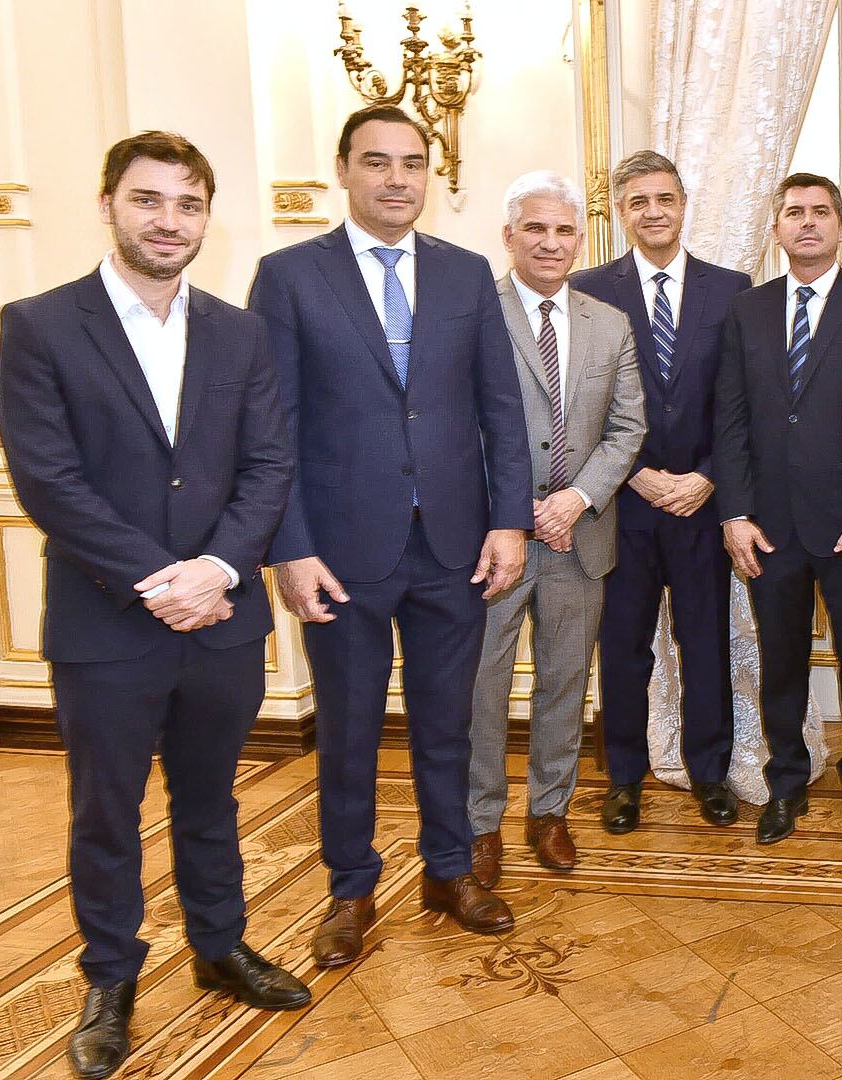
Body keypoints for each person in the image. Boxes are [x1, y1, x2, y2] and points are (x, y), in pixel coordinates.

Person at [0, 131, 307, 1079]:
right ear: (108, 205)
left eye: (188, 204)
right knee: (106, 812)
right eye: (149, 201)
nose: (169, 221)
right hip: (107, 626)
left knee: (213, 796)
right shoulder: (41, 324)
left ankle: (220, 945)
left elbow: (267, 465)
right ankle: (110, 981)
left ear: (206, 215)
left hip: (221, 618)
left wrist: (215, 569)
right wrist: (162, 581)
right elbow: (48, 482)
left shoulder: (239, 330)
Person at [249, 105, 532, 967]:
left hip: (454, 545)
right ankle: (351, 889)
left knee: (450, 723)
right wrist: (289, 548)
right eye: (377, 162)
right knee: (348, 729)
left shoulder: (466, 273)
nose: (397, 179)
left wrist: (510, 521)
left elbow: (499, 410)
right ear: (343, 169)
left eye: (413, 163)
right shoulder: (289, 275)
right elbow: (272, 429)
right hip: (338, 555)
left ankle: (450, 872)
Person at [714, 172, 842, 844]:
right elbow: (731, 421)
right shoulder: (747, 310)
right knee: (782, 662)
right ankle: (786, 785)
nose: (807, 223)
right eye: (794, 213)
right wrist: (734, 513)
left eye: (821, 212)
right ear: (776, 230)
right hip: (769, 528)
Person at [467, 171, 646, 887]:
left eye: (564, 229)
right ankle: (481, 824)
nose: (550, 242)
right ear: (509, 236)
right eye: (535, 228)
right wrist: (514, 511)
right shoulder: (475, 312)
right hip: (494, 543)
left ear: (581, 239)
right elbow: (463, 428)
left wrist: (577, 499)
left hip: (581, 538)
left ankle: (551, 813)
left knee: (565, 683)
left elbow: (629, 427)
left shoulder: (611, 324)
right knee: (481, 688)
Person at [572, 151, 749, 832]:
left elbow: (741, 402)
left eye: (665, 198)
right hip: (623, 505)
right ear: (621, 211)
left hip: (703, 506)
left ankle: (711, 773)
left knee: (705, 643)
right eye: (639, 200)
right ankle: (623, 778)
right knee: (623, 647)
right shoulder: (588, 289)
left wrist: (707, 475)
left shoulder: (731, 288)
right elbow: (581, 403)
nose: (654, 211)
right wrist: (636, 471)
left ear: (683, 204)